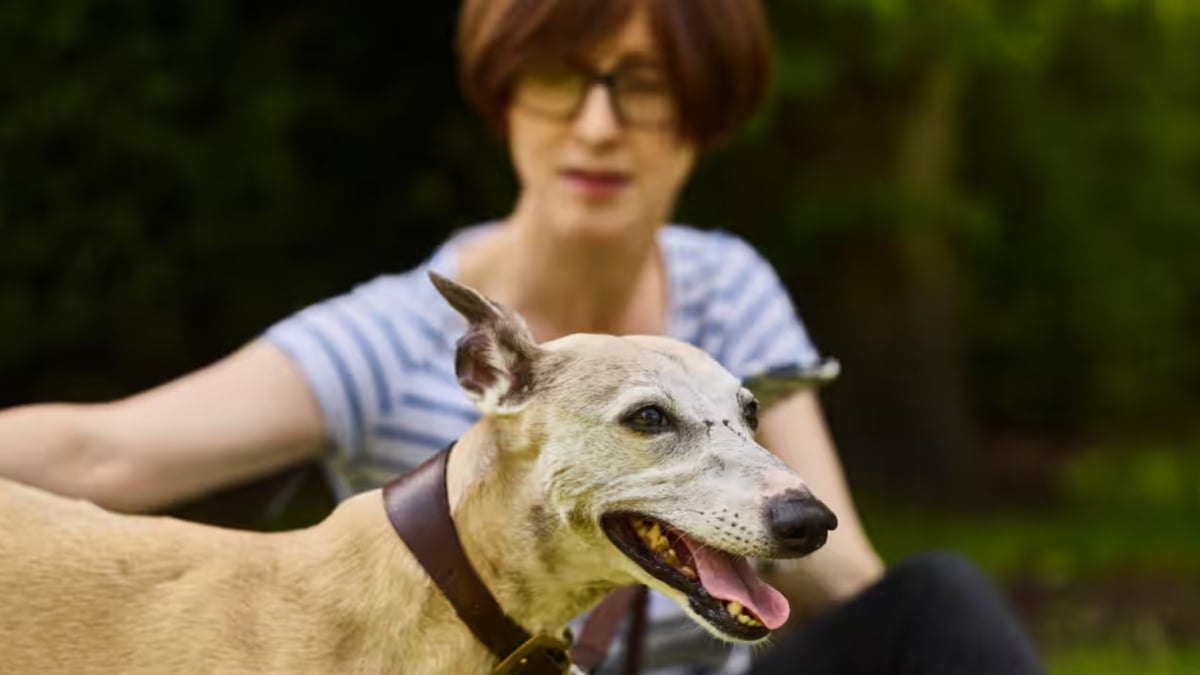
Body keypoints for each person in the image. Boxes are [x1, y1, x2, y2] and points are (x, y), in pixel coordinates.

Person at [0, 0, 1044, 673]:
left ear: (702, 119)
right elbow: (108, 451)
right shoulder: (394, 331)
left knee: (937, 599)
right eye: (561, 78)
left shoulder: (729, 284)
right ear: (506, 104)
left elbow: (838, 573)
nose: (597, 126)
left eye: (642, 87)